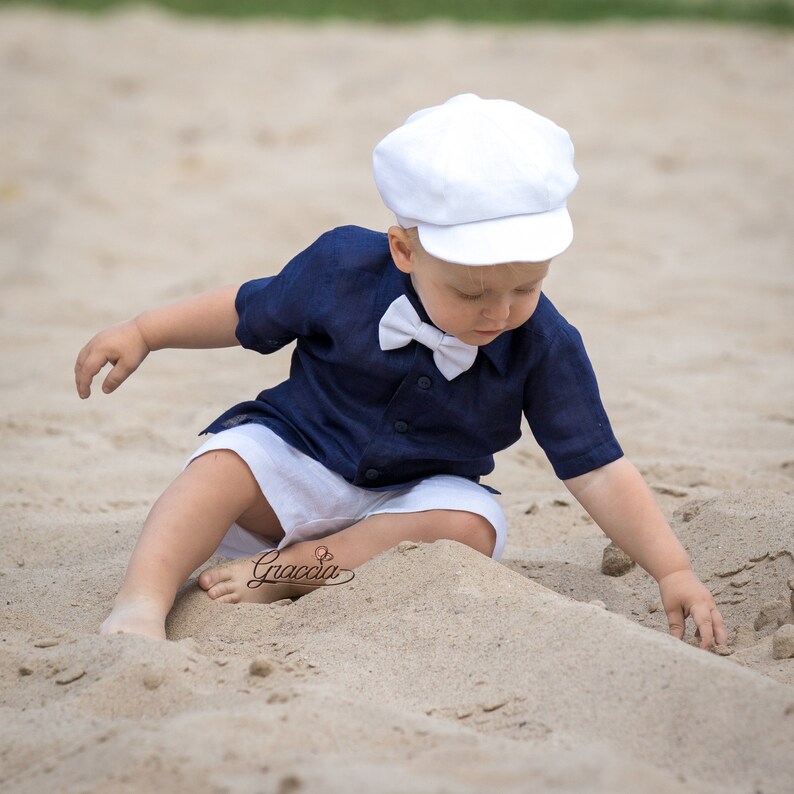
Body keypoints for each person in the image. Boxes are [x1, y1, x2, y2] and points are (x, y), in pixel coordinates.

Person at [75, 94, 726, 648]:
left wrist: (672, 569)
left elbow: (599, 468)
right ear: (404, 249)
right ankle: (142, 600)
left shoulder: (546, 342)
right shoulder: (342, 269)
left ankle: (297, 570)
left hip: (413, 496)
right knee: (219, 467)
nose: (499, 313)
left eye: (525, 287)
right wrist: (145, 332)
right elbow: (250, 310)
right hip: (298, 457)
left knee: (470, 524)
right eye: (472, 294)